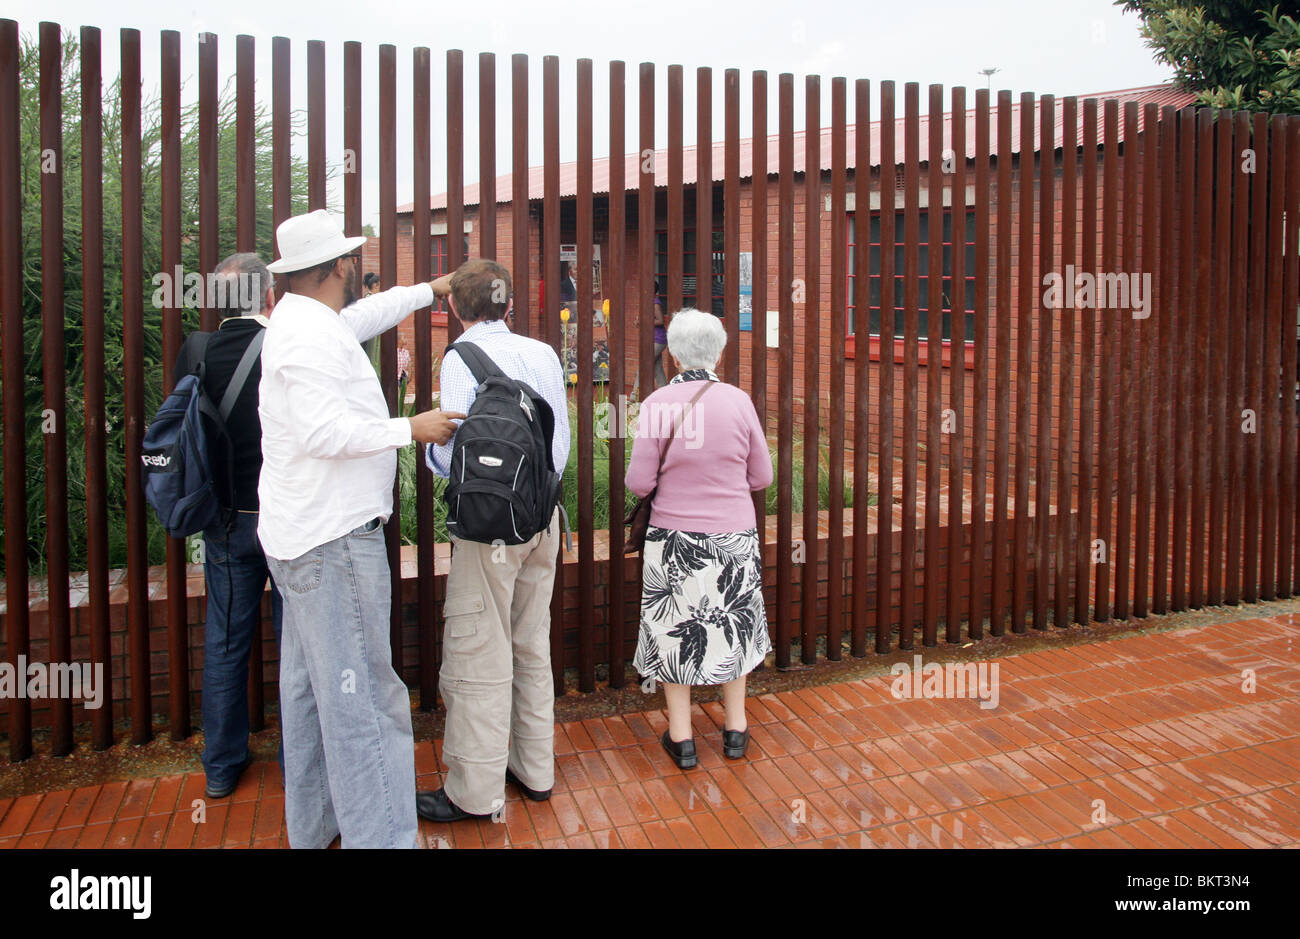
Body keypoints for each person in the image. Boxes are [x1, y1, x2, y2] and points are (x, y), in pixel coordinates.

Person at [257, 209, 464, 848]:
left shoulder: (303, 321)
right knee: (367, 703)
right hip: (336, 539)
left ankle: (316, 829)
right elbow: (324, 434)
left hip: (300, 540)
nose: (356, 270)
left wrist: (432, 289)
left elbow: (368, 316)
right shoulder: (310, 338)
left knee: (312, 692)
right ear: (339, 265)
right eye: (352, 260)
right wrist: (411, 428)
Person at [417, 258, 570, 823]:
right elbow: (560, 446)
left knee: (478, 651)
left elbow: (450, 455)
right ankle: (534, 769)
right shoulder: (544, 354)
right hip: (543, 520)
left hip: (488, 533)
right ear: (510, 303)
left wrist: (424, 441)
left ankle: (473, 792)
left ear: (455, 308)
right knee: (531, 643)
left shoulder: (460, 357)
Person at [626, 308, 772, 770]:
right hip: (733, 538)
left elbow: (638, 482)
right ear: (720, 352)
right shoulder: (739, 401)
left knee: (676, 632)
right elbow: (762, 475)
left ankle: (683, 738)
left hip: (675, 542)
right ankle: (735, 730)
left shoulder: (656, 405)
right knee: (734, 627)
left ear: (670, 354)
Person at [173, 252, 283, 800]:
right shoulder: (287, 347)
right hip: (288, 522)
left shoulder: (197, 352)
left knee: (225, 642)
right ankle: (298, 758)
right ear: (269, 296)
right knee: (298, 646)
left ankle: (220, 766)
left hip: (226, 522)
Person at [652, 294, 669, 389]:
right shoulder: (648, 303)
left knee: (644, 365)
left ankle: (635, 395)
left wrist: (645, 321)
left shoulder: (655, 303)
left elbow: (660, 320)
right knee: (657, 368)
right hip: (653, 339)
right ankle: (664, 390)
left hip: (658, 339)